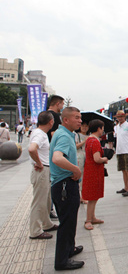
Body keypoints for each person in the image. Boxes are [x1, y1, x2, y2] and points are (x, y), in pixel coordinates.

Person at [49, 107, 84, 271]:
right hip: (65, 185)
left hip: (63, 184)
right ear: (66, 120)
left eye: (80, 117)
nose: (80, 120)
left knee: (70, 221)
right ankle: (62, 261)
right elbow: (57, 158)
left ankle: (70, 249)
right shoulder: (63, 135)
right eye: (76, 117)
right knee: (66, 223)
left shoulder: (64, 133)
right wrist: (75, 169)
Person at [28, 112, 57, 240]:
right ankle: (35, 230)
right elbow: (32, 149)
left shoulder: (40, 133)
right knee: (39, 201)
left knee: (46, 199)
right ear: (51, 122)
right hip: (42, 170)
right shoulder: (40, 134)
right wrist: (39, 163)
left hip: (45, 170)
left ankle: (46, 223)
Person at [82, 120, 108, 231]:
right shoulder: (95, 141)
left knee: (94, 195)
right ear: (98, 129)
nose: (102, 130)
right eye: (102, 128)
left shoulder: (89, 140)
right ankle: (88, 220)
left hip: (90, 170)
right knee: (93, 197)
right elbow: (97, 159)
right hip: (94, 171)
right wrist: (105, 159)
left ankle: (92, 217)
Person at [75, 122, 89, 203]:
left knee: (85, 176)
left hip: (87, 157)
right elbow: (75, 146)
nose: (84, 128)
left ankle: (83, 195)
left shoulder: (89, 135)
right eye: (83, 126)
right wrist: (84, 141)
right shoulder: (77, 135)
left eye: (86, 126)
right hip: (79, 157)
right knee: (80, 175)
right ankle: (80, 196)